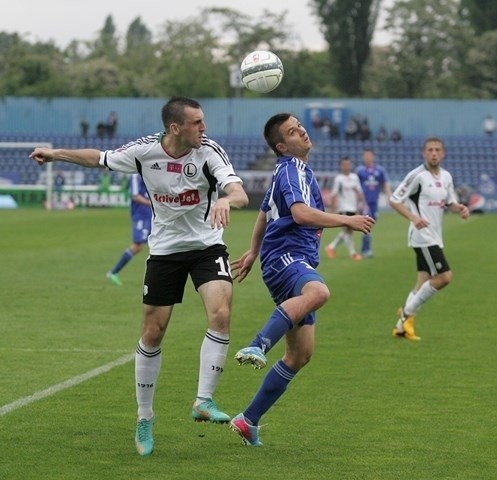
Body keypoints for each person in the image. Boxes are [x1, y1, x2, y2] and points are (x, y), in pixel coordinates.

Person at [30, 96, 249, 457]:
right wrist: (56, 154)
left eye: (203, 121)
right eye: (197, 123)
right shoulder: (144, 151)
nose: (204, 128)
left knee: (221, 313)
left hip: (207, 246)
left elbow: (236, 189)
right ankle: (144, 417)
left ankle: (203, 400)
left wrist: (228, 200)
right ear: (175, 128)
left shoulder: (209, 151)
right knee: (153, 331)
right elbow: (98, 158)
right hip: (164, 251)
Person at [229, 113, 374, 446]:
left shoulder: (294, 171)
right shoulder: (291, 168)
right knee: (319, 291)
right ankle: (259, 343)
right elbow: (298, 214)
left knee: (301, 354)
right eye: (293, 131)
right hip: (286, 257)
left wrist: (252, 251)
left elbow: (265, 211)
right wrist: (345, 220)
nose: (302, 131)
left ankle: (248, 420)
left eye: (300, 126)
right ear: (282, 146)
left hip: (290, 258)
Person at [390, 136, 470, 341]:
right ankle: (407, 313)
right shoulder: (417, 175)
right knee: (444, 276)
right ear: (424, 153)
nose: (434, 153)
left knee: (423, 280)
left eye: (437, 150)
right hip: (422, 236)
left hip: (435, 234)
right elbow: (394, 199)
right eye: (430, 150)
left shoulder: (446, 177)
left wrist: (459, 208)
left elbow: (449, 203)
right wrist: (413, 217)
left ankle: (401, 328)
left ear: (443, 154)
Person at [106, 173, 152, 287]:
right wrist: (153, 203)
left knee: (158, 244)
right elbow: (135, 196)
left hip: (150, 214)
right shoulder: (136, 175)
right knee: (138, 246)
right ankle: (113, 272)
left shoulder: (149, 169)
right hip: (141, 214)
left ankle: (157, 278)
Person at [325, 156, 365, 261]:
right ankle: (353, 254)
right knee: (348, 230)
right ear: (341, 166)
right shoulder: (339, 179)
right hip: (343, 208)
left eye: (348, 164)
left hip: (353, 208)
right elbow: (333, 195)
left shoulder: (354, 177)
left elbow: (359, 192)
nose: (346, 166)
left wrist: (359, 205)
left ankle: (331, 247)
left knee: (348, 231)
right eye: (344, 164)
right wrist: (333, 209)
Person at [355, 148, 392, 258]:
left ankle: (364, 249)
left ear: (373, 156)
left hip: (374, 202)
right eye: (365, 155)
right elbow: (355, 186)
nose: (367, 157)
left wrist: (389, 196)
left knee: (370, 225)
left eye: (369, 155)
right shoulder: (360, 171)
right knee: (368, 224)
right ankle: (366, 250)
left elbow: (385, 183)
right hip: (364, 203)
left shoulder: (380, 170)